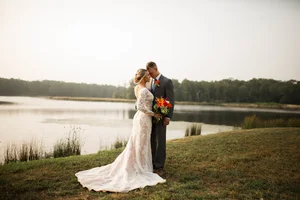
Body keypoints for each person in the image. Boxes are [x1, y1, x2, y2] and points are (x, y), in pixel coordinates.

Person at [75, 68, 165, 193]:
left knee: (138, 143)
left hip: (142, 119)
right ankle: (140, 167)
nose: (150, 76)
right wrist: (153, 114)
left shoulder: (138, 88)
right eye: (148, 75)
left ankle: (141, 165)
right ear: (144, 77)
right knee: (140, 143)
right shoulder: (143, 90)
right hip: (144, 118)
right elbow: (139, 106)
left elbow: (141, 103)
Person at [146, 61, 174, 176]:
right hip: (151, 116)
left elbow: (170, 100)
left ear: (155, 68)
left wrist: (167, 117)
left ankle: (159, 167)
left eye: (150, 71)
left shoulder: (167, 81)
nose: (149, 74)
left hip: (162, 116)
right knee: (152, 140)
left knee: (160, 141)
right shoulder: (150, 81)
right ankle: (152, 163)